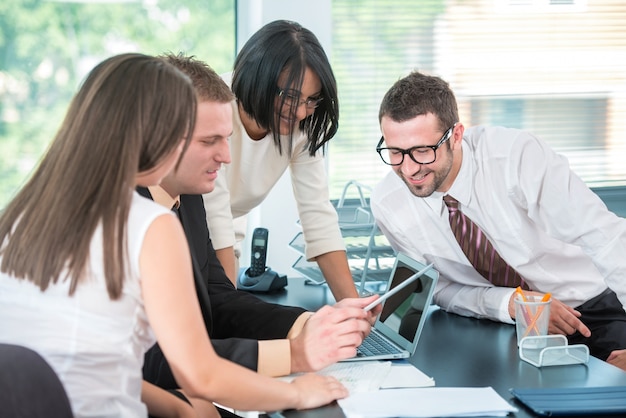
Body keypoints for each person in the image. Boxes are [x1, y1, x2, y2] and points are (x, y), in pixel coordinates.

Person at [0, 53, 359, 418]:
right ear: (150, 131)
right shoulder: (147, 222)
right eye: (207, 140)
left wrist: (181, 409)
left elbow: (88, 362)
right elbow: (198, 373)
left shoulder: (24, 215)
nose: (226, 157)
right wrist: (297, 393)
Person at [140, 53, 378, 414]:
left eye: (228, 139)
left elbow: (216, 298)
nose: (227, 157)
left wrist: (308, 325)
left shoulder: (185, 199)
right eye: (210, 141)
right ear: (163, 136)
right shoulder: (132, 220)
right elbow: (157, 361)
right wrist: (294, 355)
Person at [370, 70, 626, 365]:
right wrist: (509, 304)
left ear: (455, 135)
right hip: (504, 324)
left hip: (589, 311)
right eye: (395, 152)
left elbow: (604, 236)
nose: (409, 169)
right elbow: (436, 287)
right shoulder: (389, 204)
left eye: (422, 151)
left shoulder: (515, 158)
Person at [202, 20, 358, 300]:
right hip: (180, 234)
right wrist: (228, 310)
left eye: (312, 100)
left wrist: (353, 307)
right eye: (290, 96)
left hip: (227, 242)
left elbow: (318, 214)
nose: (300, 112)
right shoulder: (215, 106)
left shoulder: (299, 130)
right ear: (258, 76)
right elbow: (215, 214)